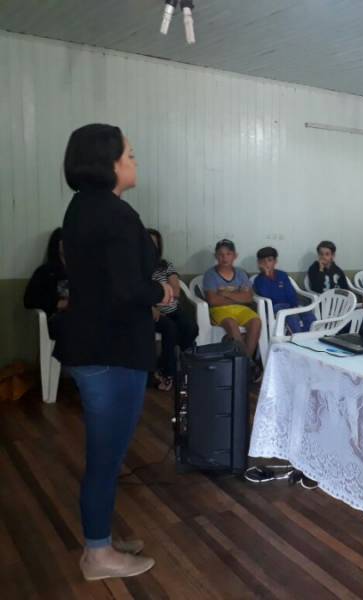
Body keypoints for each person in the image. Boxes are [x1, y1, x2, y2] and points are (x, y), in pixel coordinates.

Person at [56, 124, 169, 580]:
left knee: (106, 455)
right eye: (130, 153)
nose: (135, 161)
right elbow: (127, 289)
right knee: (105, 457)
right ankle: (98, 555)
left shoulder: (82, 207)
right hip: (112, 350)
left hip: (92, 344)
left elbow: (107, 279)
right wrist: (160, 292)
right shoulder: (115, 214)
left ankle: (99, 537)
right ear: (110, 164)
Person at [202, 239, 263, 380]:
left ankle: (245, 362)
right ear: (216, 256)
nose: (224, 258)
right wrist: (237, 295)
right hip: (219, 310)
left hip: (241, 309)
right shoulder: (210, 274)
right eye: (221, 254)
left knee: (256, 321)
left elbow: (248, 297)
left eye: (228, 254)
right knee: (231, 323)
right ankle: (248, 363)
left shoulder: (241, 273)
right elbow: (213, 300)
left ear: (235, 255)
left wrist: (227, 294)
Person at [148, 229, 198, 391]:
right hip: (149, 312)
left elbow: (175, 291)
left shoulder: (165, 265)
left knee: (190, 326)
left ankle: (182, 365)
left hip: (172, 309)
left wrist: (162, 294)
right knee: (170, 328)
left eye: (154, 244)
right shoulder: (136, 266)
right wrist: (152, 305)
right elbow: (137, 293)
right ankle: (167, 373)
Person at [253, 246, 315, 334]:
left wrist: (294, 305)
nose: (266, 264)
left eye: (269, 260)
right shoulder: (259, 280)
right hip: (274, 308)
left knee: (308, 314)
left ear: (275, 261)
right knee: (292, 317)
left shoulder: (282, 275)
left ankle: (309, 338)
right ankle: (298, 340)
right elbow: (266, 295)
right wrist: (266, 275)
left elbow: (291, 293)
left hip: (289, 305)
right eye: (263, 261)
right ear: (259, 263)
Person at [24, 227, 69, 340]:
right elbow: (29, 300)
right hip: (57, 319)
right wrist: (58, 303)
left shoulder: (81, 270)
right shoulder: (45, 272)